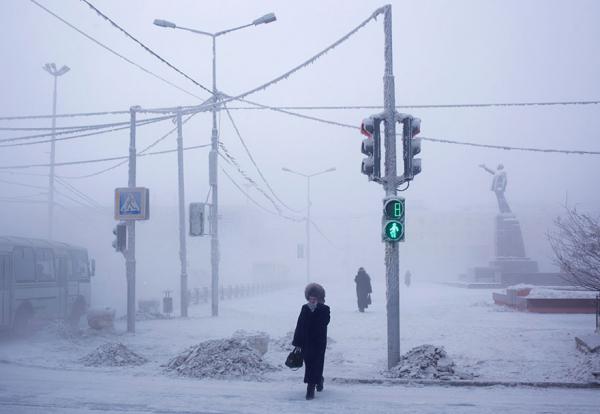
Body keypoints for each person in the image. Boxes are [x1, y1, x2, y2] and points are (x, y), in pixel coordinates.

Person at [292, 283, 330, 400]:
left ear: (319, 299)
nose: (312, 300)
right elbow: (299, 325)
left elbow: (324, 323)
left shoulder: (324, 309)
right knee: (309, 365)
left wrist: (316, 310)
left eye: (315, 298)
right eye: (310, 298)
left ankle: (311, 388)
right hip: (306, 343)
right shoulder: (304, 308)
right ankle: (315, 382)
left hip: (319, 343)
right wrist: (297, 343)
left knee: (317, 364)